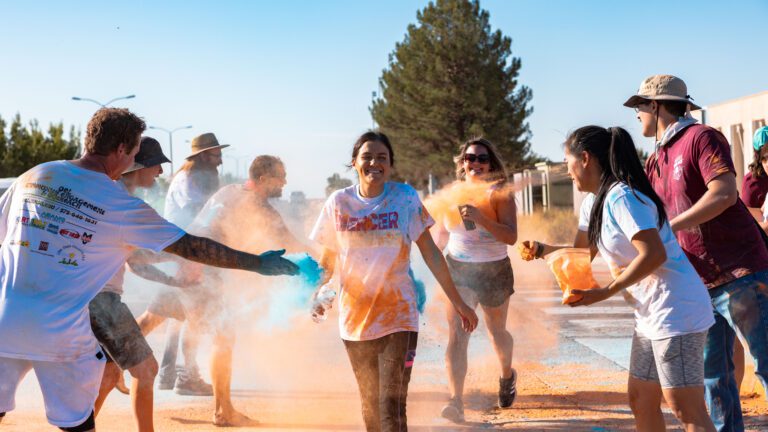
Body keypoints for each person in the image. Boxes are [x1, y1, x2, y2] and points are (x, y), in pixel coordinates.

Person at [0, 108, 297, 432]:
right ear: (121, 150)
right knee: (78, 425)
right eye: (136, 152)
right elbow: (192, 247)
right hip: (61, 333)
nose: (136, 162)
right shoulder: (118, 203)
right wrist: (256, 263)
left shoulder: (34, 176)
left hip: (4, 320)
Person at [521, 125, 716, 431]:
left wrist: (606, 291)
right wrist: (544, 250)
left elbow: (654, 254)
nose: (567, 171)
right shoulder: (593, 203)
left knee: (686, 408)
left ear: (585, 158)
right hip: (650, 314)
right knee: (640, 399)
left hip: (676, 310)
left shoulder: (622, 197)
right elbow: (583, 253)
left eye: (567, 162)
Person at [624, 75, 768, 432]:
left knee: (766, 363)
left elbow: (724, 193)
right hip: (697, 287)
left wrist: (671, 227)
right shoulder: (655, 159)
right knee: (713, 378)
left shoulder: (701, 138)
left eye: (640, 107)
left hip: (742, 274)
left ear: (655, 106)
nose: (637, 115)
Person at [309, 131, 479, 431]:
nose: (374, 162)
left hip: (398, 317)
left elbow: (432, 254)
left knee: (390, 405)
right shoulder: (339, 203)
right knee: (370, 407)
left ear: (390, 165)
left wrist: (459, 302)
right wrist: (317, 294)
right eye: (367, 157)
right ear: (354, 163)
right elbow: (328, 260)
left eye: (382, 158)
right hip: (355, 321)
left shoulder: (405, 198)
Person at [138, 155, 307, 426]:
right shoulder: (257, 205)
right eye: (280, 176)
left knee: (150, 320)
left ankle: (103, 366)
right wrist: (325, 258)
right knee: (223, 337)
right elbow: (289, 243)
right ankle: (223, 410)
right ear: (263, 180)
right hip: (204, 270)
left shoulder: (229, 190)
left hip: (185, 259)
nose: (284, 182)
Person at [88, 136, 194, 432]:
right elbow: (136, 262)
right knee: (146, 370)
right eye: (155, 164)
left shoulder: (117, 196)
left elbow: (135, 258)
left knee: (109, 377)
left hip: (96, 298)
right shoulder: (124, 202)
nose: (160, 171)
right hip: (102, 300)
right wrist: (176, 270)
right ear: (137, 166)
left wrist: (171, 277)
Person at [431, 138, 518, 422]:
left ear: (491, 163)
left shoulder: (500, 193)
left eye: (482, 158)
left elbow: (511, 237)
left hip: (494, 270)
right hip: (459, 270)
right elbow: (442, 234)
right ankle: (456, 401)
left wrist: (481, 219)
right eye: (470, 158)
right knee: (458, 334)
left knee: (497, 333)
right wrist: (435, 255)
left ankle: (507, 375)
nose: (475, 163)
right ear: (462, 163)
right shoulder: (451, 193)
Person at [154, 132, 227, 395]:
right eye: (215, 154)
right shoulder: (188, 179)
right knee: (193, 315)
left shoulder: (202, 177)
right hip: (187, 253)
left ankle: (168, 373)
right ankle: (186, 377)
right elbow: (197, 214)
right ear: (202, 156)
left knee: (180, 314)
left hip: (189, 251)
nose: (220, 160)